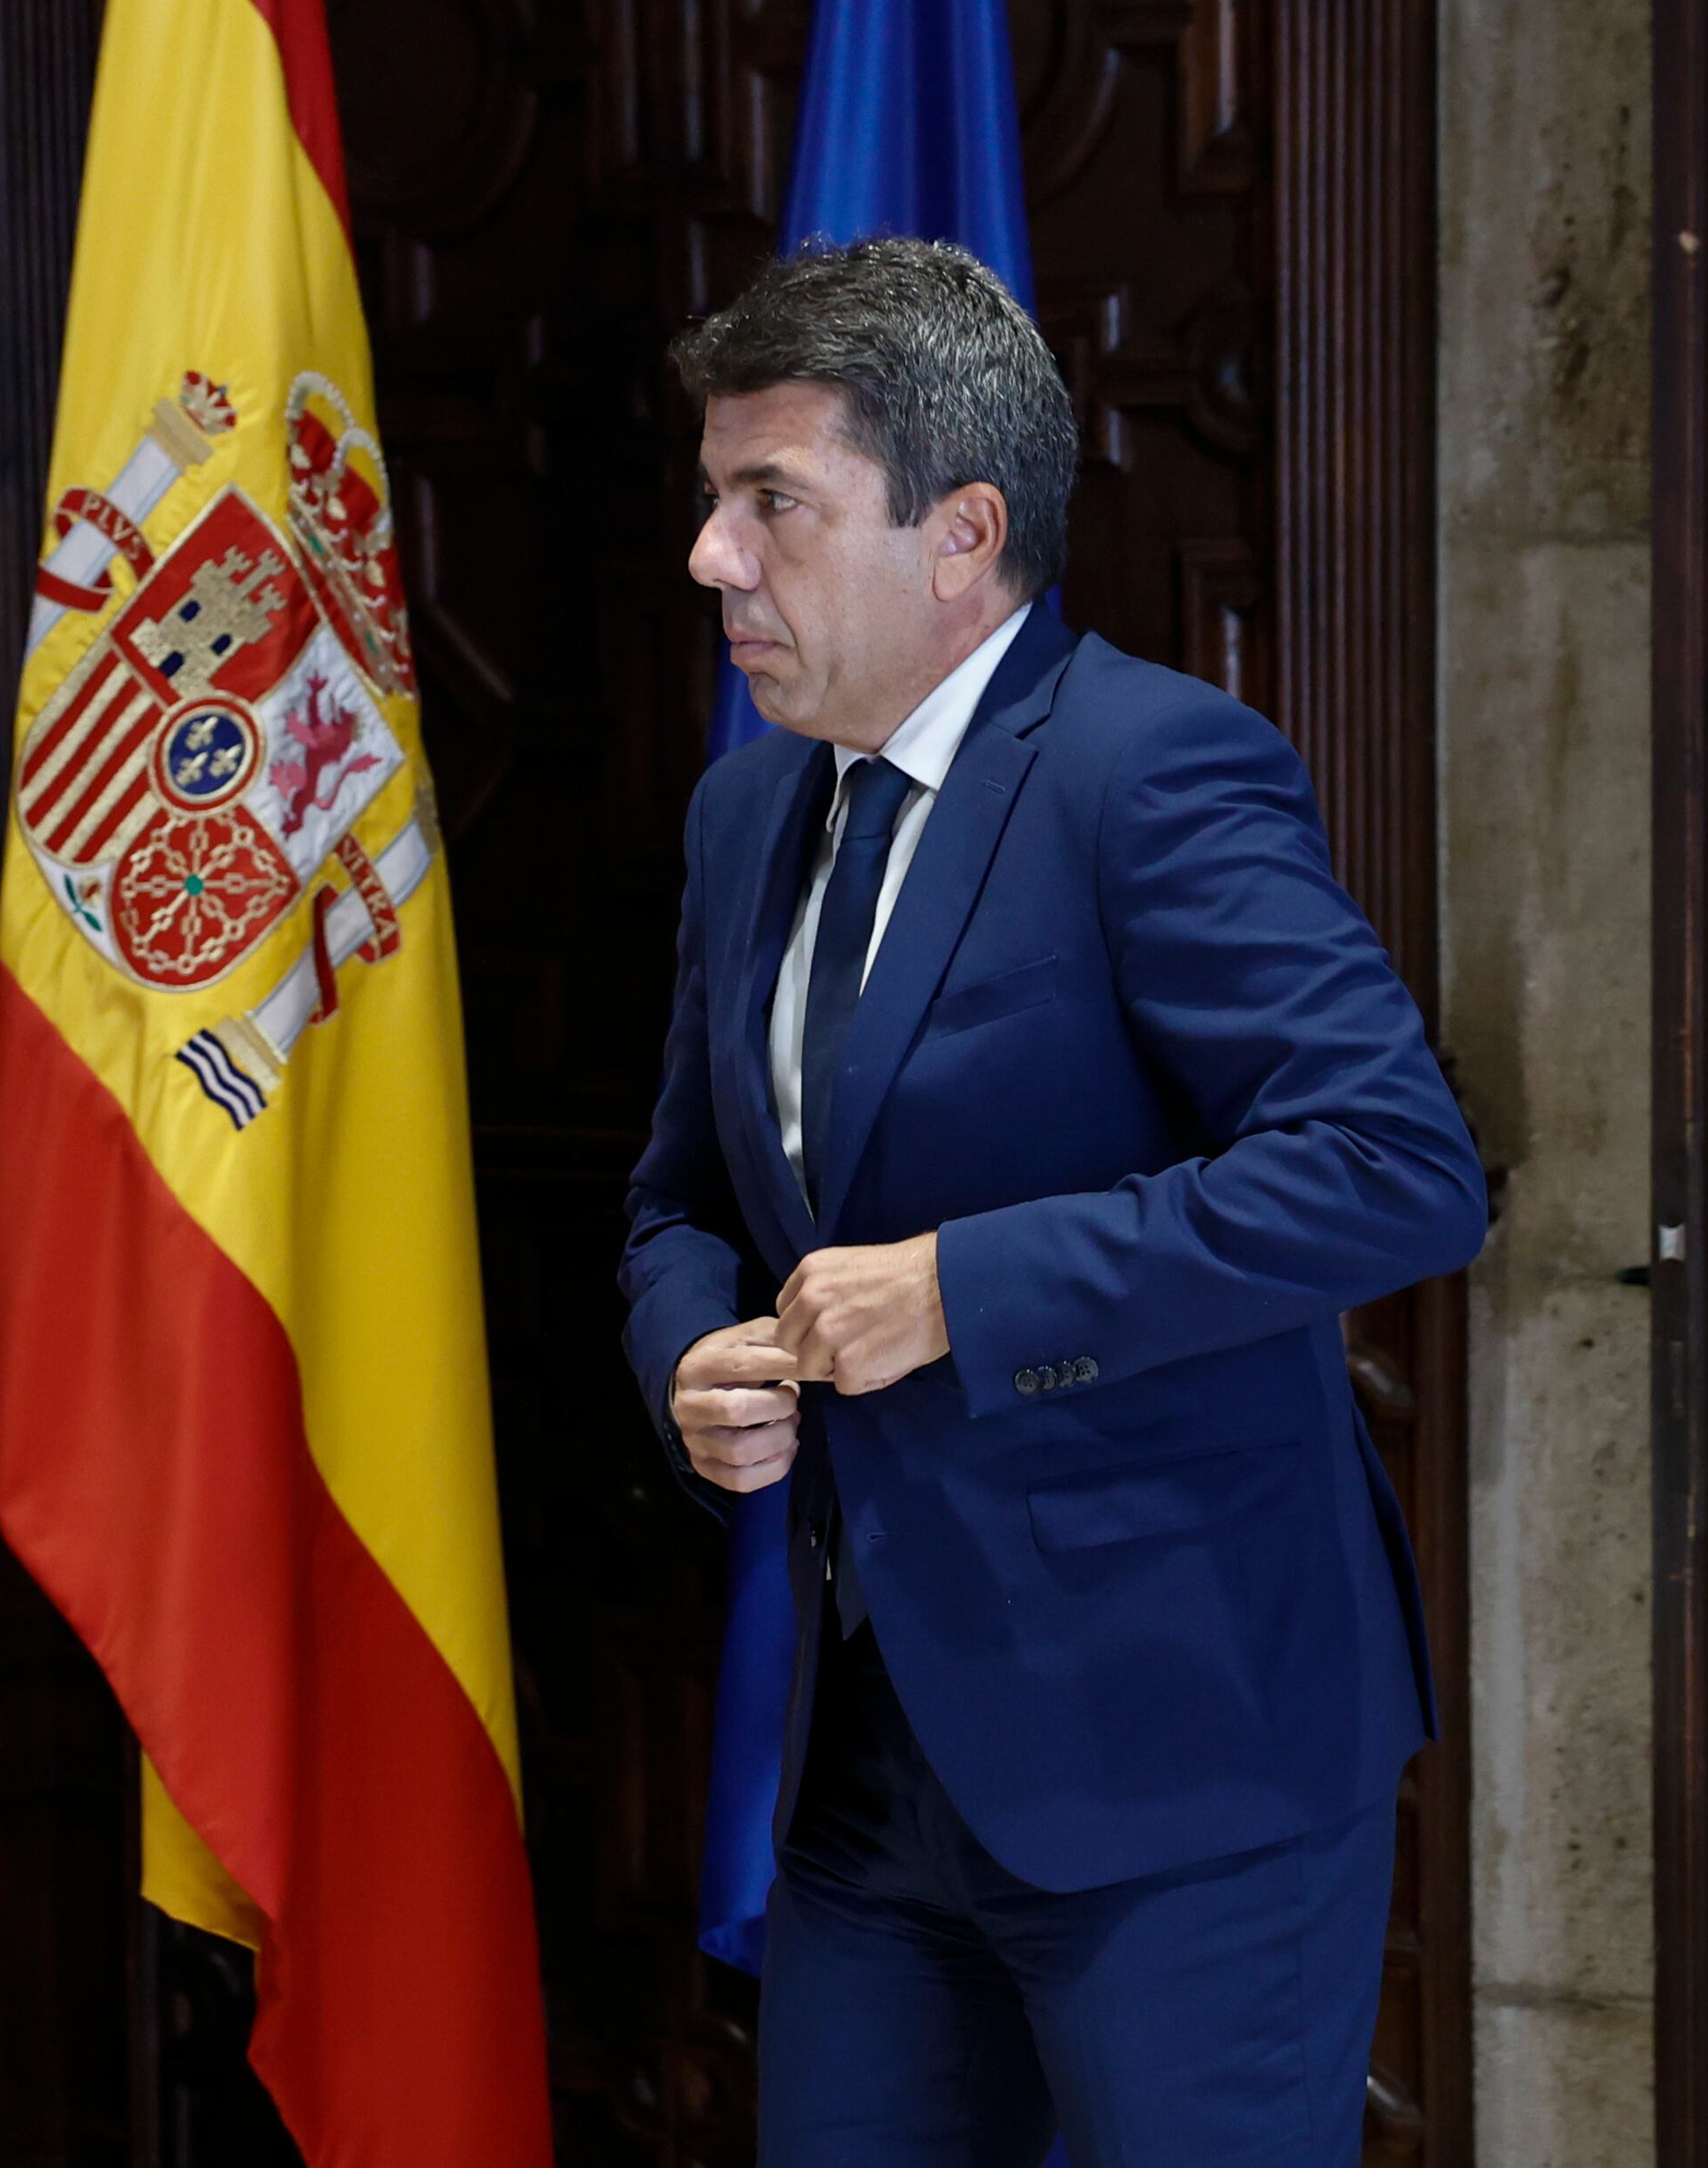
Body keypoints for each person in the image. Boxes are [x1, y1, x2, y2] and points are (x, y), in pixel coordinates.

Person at [616, 238, 1491, 2166]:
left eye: (772, 503)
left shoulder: (1149, 770)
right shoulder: (747, 809)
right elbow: (678, 1193)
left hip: (1185, 1754)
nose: (714, 560)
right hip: (868, 1766)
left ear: (963, 531)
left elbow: (1393, 1168)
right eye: (712, 501)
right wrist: (691, 1348)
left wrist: (968, 1286)